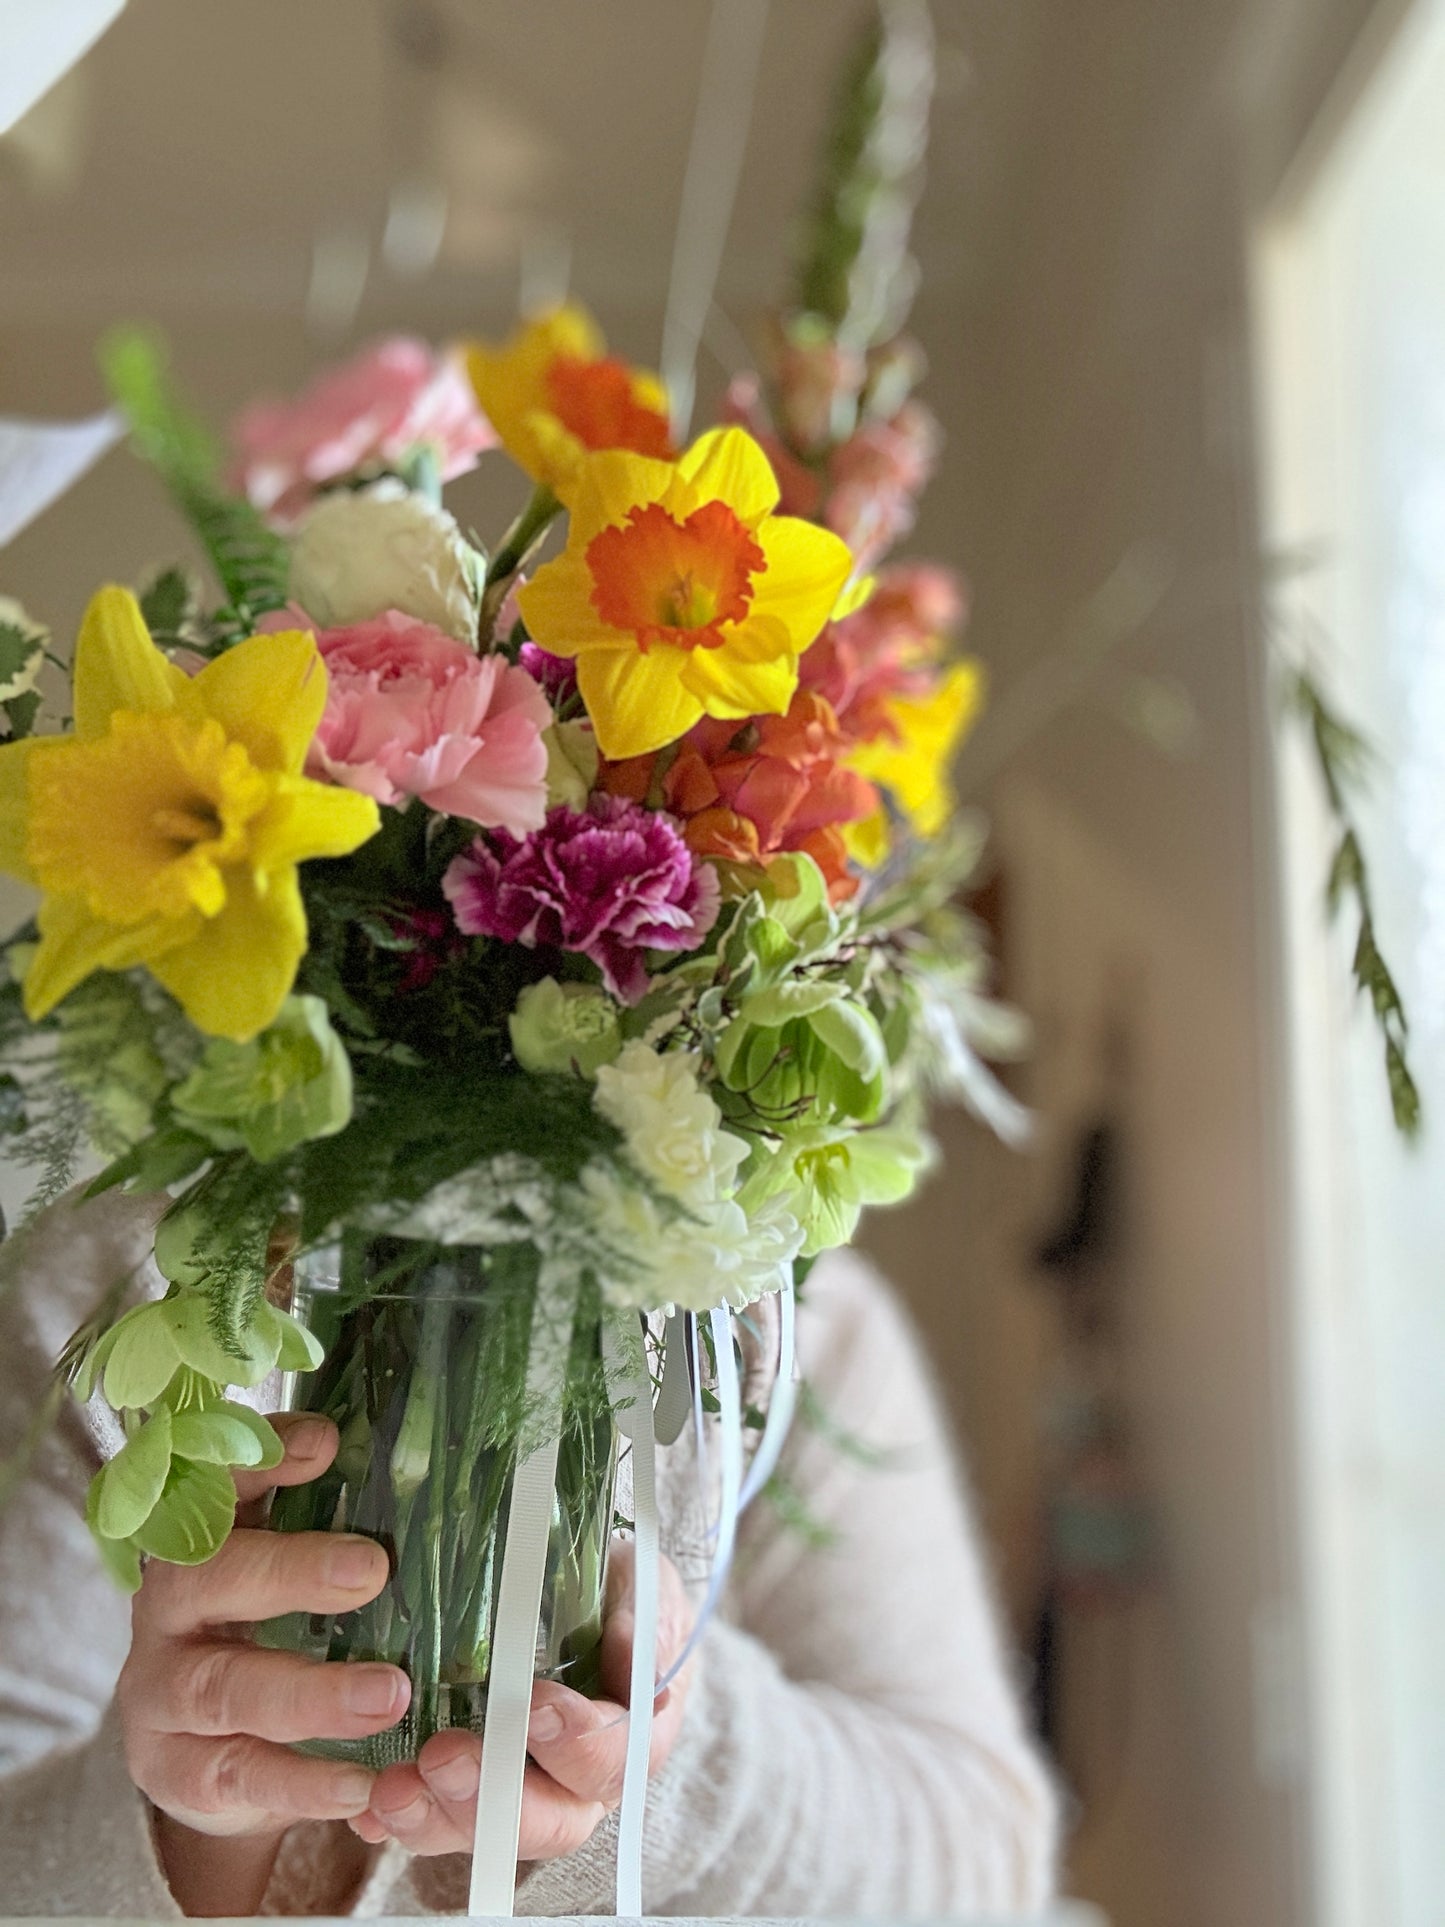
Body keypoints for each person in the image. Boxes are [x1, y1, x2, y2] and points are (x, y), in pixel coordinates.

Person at [0, 1187, 1058, 1917]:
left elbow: (976, 1857)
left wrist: (658, 1750)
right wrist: (191, 1830)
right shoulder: (91, 1313)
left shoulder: (782, 1337)